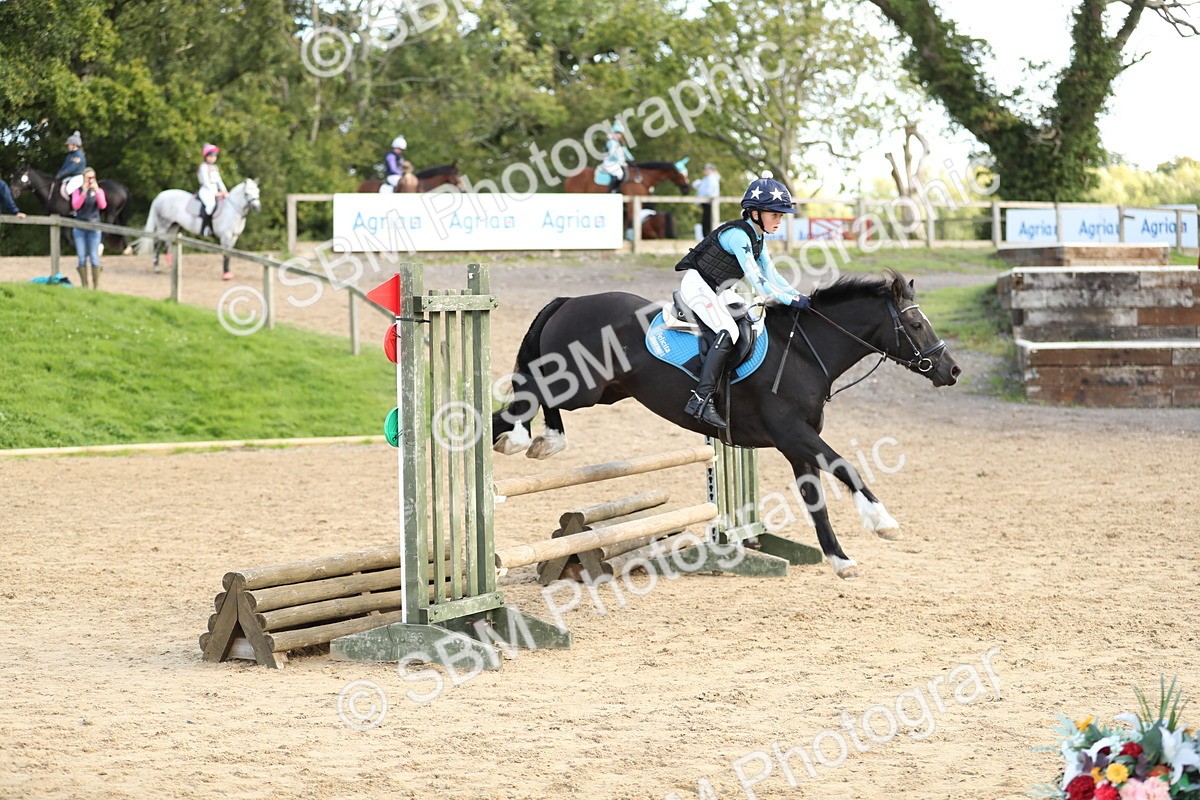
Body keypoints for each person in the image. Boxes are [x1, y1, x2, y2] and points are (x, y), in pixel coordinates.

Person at [673, 172, 810, 428]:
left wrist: (797, 295)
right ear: (755, 213)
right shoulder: (738, 236)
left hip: (719, 289)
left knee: (752, 319)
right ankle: (701, 399)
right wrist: (788, 300)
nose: (779, 220)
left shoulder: (758, 236)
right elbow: (758, 282)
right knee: (729, 330)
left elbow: (772, 274)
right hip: (698, 286)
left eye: (781, 215)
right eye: (774, 215)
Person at [70, 167, 107, 289]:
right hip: (80, 228)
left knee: (94, 257)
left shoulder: (99, 191)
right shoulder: (77, 191)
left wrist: (97, 191)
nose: (90, 180)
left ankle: (95, 287)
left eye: (92, 178)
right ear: (83, 178)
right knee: (81, 257)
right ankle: (84, 286)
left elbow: (103, 205)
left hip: (94, 227)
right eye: (88, 178)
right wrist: (84, 192)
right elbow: (75, 205)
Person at [197, 143, 228, 237]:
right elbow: (206, 181)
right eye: (210, 156)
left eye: (214, 156)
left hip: (215, 191)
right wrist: (215, 193)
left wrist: (225, 191)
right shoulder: (203, 166)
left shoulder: (214, 167)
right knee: (211, 205)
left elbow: (219, 181)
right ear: (206, 157)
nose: (213, 158)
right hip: (206, 191)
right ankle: (204, 229)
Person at [598, 122, 633, 193]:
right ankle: (612, 190)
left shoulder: (620, 143)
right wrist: (621, 162)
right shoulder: (611, 142)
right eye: (616, 133)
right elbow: (612, 154)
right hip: (610, 162)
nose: (618, 135)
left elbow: (626, 152)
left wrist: (632, 160)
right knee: (619, 174)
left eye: (620, 133)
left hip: (618, 163)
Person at [693, 163, 721, 236]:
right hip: (706, 203)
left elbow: (708, 191)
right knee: (706, 221)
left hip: (710, 203)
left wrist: (701, 198)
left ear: (711, 170)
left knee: (708, 221)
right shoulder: (707, 178)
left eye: (706, 169)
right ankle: (707, 236)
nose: (705, 170)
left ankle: (708, 237)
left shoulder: (711, 178)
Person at [57, 131, 87, 197]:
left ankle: (75, 203)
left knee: (68, 190)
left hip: (77, 177)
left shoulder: (79, 155)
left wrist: (62, 174)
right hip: (69, 177)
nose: (68, 146)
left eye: (69, 145)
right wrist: (58, 174)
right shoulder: (70, 154)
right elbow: (64, 166)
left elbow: (72, 167)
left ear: (74, 145)